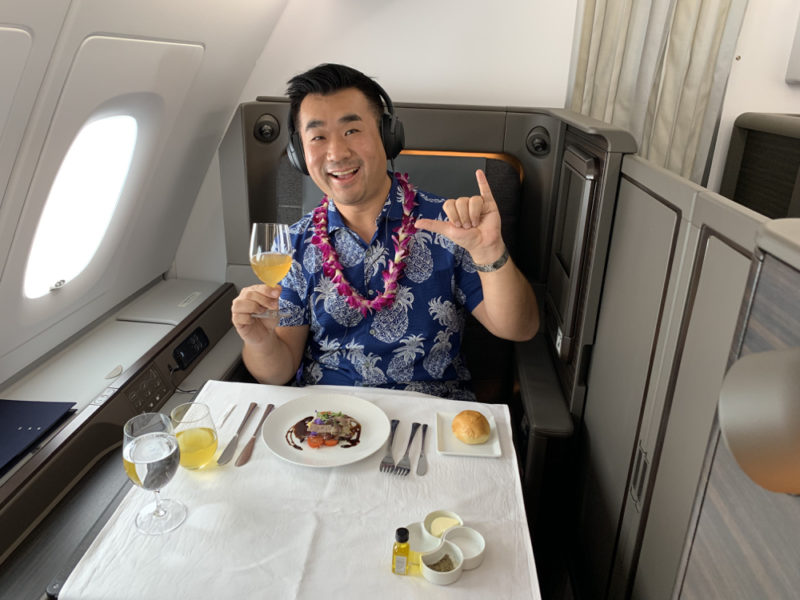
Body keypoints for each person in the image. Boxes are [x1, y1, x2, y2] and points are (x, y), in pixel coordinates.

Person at [231, 63, 538, 400]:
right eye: (318, 137)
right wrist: (259, 340)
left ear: (388, 135)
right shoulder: (292, 243)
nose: (336, 153)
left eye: (352, 131)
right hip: (328, 416)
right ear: (300, 154)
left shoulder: (449, 225)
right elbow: (279, 370)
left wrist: (491, 251)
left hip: (430, 415)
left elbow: (520, 328)